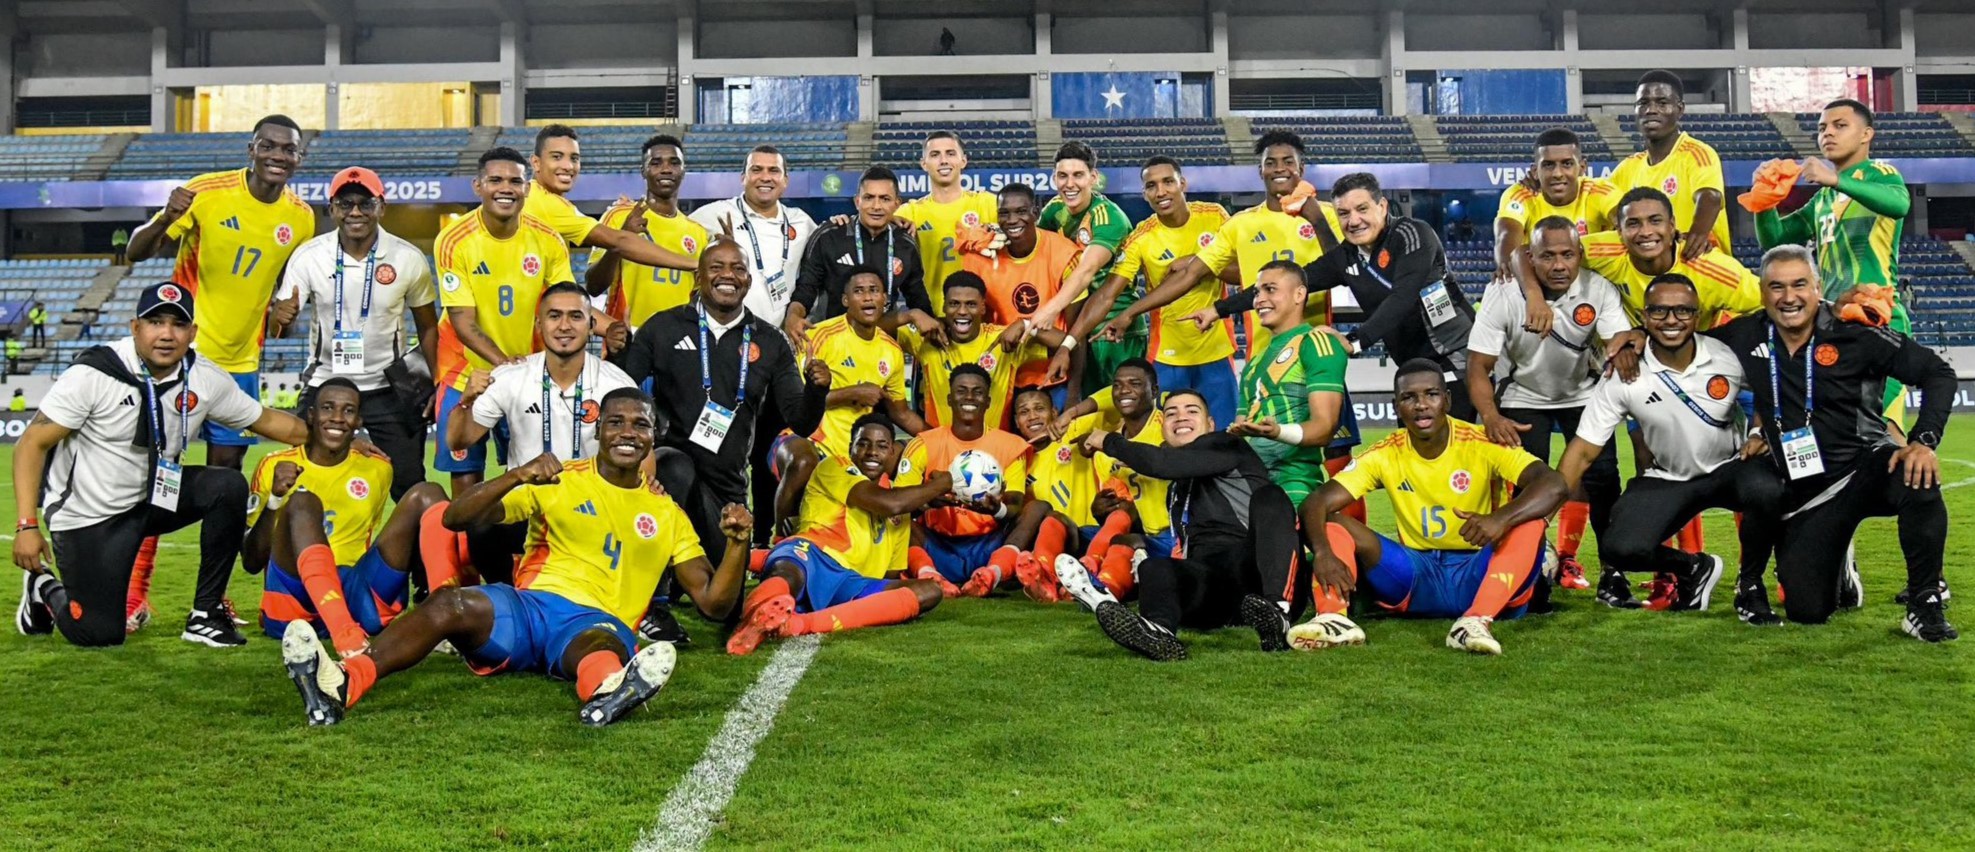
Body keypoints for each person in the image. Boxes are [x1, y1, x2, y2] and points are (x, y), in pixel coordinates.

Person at [278, 388, 756, 727]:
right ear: (598, 430)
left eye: (640, 424)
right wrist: (517, 475)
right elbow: (455, 518)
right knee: (449, 605)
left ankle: (608, 693)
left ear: (654, 436)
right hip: (527, 611)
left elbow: (714, 603)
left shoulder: (666, 513)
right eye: (616, 422)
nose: (627, 433)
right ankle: (344, 683)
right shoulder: (558, 478)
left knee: (600, 647)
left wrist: (736, 545)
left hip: (595, 622)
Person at [12, 282, 313, 648]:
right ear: (135, 327)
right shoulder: (94, 373)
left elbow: (267, 420)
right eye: (156, 322)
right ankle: (43, 586)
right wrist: (27, 525)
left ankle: (205, 614)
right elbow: (31, 443)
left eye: (178, 324)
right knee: (98, 633)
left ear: (193, 332)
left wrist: (333, 437)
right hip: (91, 516)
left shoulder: (203, 376)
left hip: (153, 499)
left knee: (228, 487)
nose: (167, 334)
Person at [1707, 246, 1958, 640]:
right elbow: (1685, 346)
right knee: (1808, 610)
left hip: (1866, 467)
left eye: (1799, 284)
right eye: (1777, 287)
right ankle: (1839, 561)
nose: (1788, 297)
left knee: (1917, 475)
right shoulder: (1746, 333)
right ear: (1761, 292)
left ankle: (1924, 603)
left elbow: (1937, 373)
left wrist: (1923, 441)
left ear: (1817, 287)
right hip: (1812, 494)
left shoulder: (1855, 330)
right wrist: (1634, 336)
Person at [611, 241, 830, 640]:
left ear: (748, 281)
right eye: (717, 267)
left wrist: (817, 390)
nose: (727, 275)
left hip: (726, 488)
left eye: (738, 268)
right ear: (699, 276)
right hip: (668, 477)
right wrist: (616, 353)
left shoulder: (771, 340)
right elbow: (621, 393)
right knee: (674, 465)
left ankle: (681, 576)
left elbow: (799, 421)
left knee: (724, 609)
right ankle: (653, 605)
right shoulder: (663, 328)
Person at [1552, 274, 1785, 619]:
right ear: (1644, 318)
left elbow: (1773, 391)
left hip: (1730, 469)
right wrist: (1543, 512)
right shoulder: (1625, 374)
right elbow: (1584, 450)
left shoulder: (1726, 357)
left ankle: (1750, 585)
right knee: (1619, 547)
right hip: (1669, 477)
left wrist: (1757, 433)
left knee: (1768, 488)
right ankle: (1694, 568)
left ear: (1696, 314)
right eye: (1659, 311)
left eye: (1682, 311)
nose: (1671, 320)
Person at [1302, 361, 1569, 655]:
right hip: (1416, 577)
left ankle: (1475, 621)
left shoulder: (1480, 441)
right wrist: (1324, 553)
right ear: (1396, 407)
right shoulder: (1385, 453)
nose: (1421, 405)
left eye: (1431, 394)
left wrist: (1500, 519)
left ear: (1448, 400)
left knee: (1530, 523)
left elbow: (1554, 484)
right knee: (1333, 524)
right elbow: (1316, 501)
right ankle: (1333, 619)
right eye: (1409, 397)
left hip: (1478, 572)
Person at [1197, 173, 1478, 420]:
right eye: (1344, 213)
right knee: (1415, 452)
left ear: (1382, 207)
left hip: (1456, 354)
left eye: (1362, 209)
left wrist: (1355, 341)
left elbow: (1402, 297)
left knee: (1459, 448)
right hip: (1409, 365)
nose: (1353, 220)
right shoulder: (1346, 257)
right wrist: (1219, 309)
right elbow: (1284, 286)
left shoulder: (1412, 234)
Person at [125, 114, 316, 473]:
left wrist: (281, 318)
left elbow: (283, 307)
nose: (278, 155)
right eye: (268, 146)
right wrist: (165, 217)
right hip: (185, 353)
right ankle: (144, 531)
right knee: (158, 459)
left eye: (289, 149)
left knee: (228, 470)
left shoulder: (301, 218)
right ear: (251, 150)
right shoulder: (208, 192)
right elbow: (135, 252)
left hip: (241, 361)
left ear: (299, 158)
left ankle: (222, 532)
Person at [1060, 388, 1312, 661]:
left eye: (1192, 411)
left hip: (1259, 574)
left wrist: (1107, 440)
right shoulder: (1177, 489)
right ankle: (1159, 631)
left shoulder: (1228, 444)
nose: (1180, 417)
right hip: (1219, 590)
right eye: (1171, 413)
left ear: (1211, 424)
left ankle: (1278, 611)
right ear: (1163, 426)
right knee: (1153, 566)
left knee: (1271, 497)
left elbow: (1161, 463)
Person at [1467, 218, 1631, 592]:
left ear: (1580, 255)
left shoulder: (1598, 289)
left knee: (1604, 482)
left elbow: (1618, 341)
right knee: (1530, 487)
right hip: (1523, 395)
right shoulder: (1503, 294)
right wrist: (1491, 416)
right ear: (1530, 257)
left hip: (1583, 395)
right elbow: (1479, 365)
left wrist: (1621, 352)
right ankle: (1529, 571)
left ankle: (1613, 572)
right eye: (1548, 256)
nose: (1559, 265)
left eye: (1567, 255)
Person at [439, 283, 637, 588]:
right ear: (539, 324)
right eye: (554, 316)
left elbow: (642, 456)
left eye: (575, 316)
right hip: (527, 504)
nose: (564, 326)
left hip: (591, 508)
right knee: (481, 521)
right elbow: (458, 440)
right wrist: (465, 402)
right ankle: (506, 594)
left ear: (591, 324)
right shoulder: (512, 376)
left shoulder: (616, 384)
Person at [244, 378, 450, 655]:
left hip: (354, 593)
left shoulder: (377, 469)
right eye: (328, 408)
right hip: (295, 602)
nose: (338, 418)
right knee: (303, 502)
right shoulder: (273, 466)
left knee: (427, 493)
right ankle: (345, 636)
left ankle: (444, 619)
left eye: (348, 410)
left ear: (359, 421)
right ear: (311, 415)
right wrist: (276, 500)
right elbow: (251, 561)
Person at [272, 166, 439, 500]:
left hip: (388, 386)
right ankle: (312, 548)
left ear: (382, 206)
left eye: (366, 203)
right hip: (325, 383)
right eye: (346, 204)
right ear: (332, 208)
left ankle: (413, 553)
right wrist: (280, 318)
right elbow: (279, 329)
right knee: (303, 478)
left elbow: (428, 326)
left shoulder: (407, 258)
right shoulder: (309, 257)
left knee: (409, 484)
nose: (356, 212)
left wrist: (436, 383)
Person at [726, 414, 949, 655]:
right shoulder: (836, 467)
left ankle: (801, 624)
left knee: (928, 591)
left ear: (893, 453)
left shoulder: (900, 509)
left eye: (882, 446)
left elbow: (890, 573)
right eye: (863, 443)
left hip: (851, 582)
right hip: (812, 555)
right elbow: (888, 503)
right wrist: (939, 485)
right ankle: (750, 623)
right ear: (850, 449)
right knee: (788, 573)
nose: (872, 451)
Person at [1754, 98, 1914, 427]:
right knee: (1840, 429)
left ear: (1866, 134)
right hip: (1834, 324)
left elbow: (1899, 204)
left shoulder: (1880, 173)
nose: (1828, 133)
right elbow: (1777, 241)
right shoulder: (1822, 199)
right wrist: (1764, 200)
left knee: (1880, 427)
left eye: (1840, 126)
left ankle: (1910, 475)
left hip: (1878, 321)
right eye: (1822, 128)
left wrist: (1837, 180)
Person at [1115, 131, 1340, 363]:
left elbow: (1345, 268)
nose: (1279, 168)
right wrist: (1131, 312)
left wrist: (1317, 220)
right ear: (1261, 171)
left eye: (1288, 162)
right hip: (1262, 356)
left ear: (1301, 169)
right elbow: (1191, 274)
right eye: (1270, 163)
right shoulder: (1240, 224)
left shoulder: (1328, 215)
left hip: (1317, 350)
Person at [431, 147, 576, 496]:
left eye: (515, 181)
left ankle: (524, 550)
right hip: (465, 373)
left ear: (527, 188)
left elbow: (565, 305)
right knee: (466, 478)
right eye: (495, 180)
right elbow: (462, 322)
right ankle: (468, 549)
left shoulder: (548, 239)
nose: (505, 188)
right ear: (477, 185)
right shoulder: (453, 240)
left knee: (535, 475)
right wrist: (506, 367)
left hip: (528, 374)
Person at [1070, 157, 1237, 425]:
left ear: (1182, 183)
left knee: (1224, 433)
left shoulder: (1214, 215)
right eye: (1151, 185)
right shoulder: (1141, 238)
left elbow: (1242, 271)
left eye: (1168, 182)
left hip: (1217, 351)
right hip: (1167, 355)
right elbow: (1107, 293)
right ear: (1144, 194)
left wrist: (1198, 261)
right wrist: (1070, 342)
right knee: (1166, 435)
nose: (1161, 192)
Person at [895, 365, 1031, 597]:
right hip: (937, 546)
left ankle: (991, 574)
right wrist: (928, 501)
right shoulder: (923, 443)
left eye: (977, 392)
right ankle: (930, 576)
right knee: (897, 520)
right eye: (961, 391)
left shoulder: (1011, 445)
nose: (969, 397)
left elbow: (1016, 504)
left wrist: (997, 509)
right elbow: (897, 500)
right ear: (949, 399)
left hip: (988, 545)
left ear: (988, 401)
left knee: (1037, 509)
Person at [1226, 261, 1349, 509]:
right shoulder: (1254, 363)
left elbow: (1324, 428)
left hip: (1294, 483)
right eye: (1256, 292)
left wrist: (1277, 432)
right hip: (1249, 482)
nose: (1259, 299)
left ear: (1299, 294)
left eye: (1270, 289)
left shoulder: (1315, 344)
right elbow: (1241, 428)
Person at [1028, 142, 1139, 398]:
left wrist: (1050, 309)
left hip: (1113, 324)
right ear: (1054, 178)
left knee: (1119, 403)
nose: (1070, 184)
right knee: (1084, 404)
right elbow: (1036, 248)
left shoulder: (1108, 217)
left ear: (1093, 177)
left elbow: (1086, 270)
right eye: (1063, 176)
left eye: (1078, 175)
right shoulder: (1054, 210)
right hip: (1078, 323)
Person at [525, 124, 698, 279]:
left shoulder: (537, 198)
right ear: (536, 162)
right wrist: (697, 265)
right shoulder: (544, 202)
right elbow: (620, 242)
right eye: (557, 157)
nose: (568, 166)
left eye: (574, 158)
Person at [896, 271, 1063, 430]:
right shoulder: (927, 337)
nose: (962, 311)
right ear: (944, 306)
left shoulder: (1001, 339)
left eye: (971, 304)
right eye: (954, 303)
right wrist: (911, 315)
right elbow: (874, 331)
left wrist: (1026, 325)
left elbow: (1065, 344)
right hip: (943, 451)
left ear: (983, 307)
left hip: (995, 449)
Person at [787, 166, 938, 341]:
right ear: (857, 201)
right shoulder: (829, 236)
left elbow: (917, 295)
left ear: (897, 204)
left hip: (883, 344)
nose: (876, 206)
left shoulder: (905, 243)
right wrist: (794, 315)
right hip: (833, 342)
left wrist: (933, 325)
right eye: (869, 198)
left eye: (885, 199)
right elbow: (806, 287)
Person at [961, 183, 1081, 400]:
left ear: (1035, 213)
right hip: (1002, 374)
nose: (1012, 220)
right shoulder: (980, 257)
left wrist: (1074, 394)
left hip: (1054, 376)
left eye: (1021, 211)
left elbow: (1077, 334)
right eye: (1004, 213)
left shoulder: (1065, 253)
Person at [586, 134, 709, 331]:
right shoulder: (618, 216)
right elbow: (593, 286)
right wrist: (620, 243)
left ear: (683, 171)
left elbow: (699, 298)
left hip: (679, 339)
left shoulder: (698, 233)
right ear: (643, 171)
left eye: (674, 163)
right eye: (656, 163)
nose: (666, 169)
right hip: (628, 335)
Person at [688, 145, 818, 330]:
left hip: (779, 335)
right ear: (743, 178)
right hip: (723, 331)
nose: (765, 177)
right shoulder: (714, 214)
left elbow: (826, 250)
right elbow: (674, 231)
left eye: (774, 171)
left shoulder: (801, 222)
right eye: (756, 170)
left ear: (785, 181)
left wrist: (840, 221)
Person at [1606, 70, 1728, 263]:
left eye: (1662, 103)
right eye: (1643, 103)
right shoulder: (1627, 168)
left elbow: (1710, 197)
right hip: (1652, 272)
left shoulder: (1697, 153)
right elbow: (1600, 200)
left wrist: (1697, 235)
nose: (1651, 110)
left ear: (1680, 109)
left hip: (1698, 266)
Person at [1494, 128, 1614, 286]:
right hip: (1542, 283)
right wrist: (1509, 269)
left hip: (1594, 284)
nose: (1558, 173)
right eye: (1548, 165)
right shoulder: (1520, 194)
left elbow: (1630, 223)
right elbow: (1507, 234)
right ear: (1535, 171)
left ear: (1582, 167)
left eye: (1567, 164)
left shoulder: (1600, 191)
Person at [895, 131, 998, 316]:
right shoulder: (909, 212)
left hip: (984, 315)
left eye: (950, 153)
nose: (943, 160)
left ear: (963, 161)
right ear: (924, 164)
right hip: (932, 315)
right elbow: (871, 222)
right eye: (935, 155)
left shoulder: (987, 203)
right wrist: (844, 220)